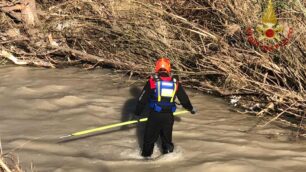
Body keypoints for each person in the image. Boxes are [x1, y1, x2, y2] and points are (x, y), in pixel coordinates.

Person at [134, 57, 196, 158]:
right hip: (168, 116)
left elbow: (142, 100)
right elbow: (184, 99)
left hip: (155, 115)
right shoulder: (175, 83)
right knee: (167, 140)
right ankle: (168, 158)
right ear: (169, 69)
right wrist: (191, 109)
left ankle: (146, 159)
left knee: (149, 140)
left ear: (156, 68)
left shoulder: (152, 81)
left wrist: (137, 114)